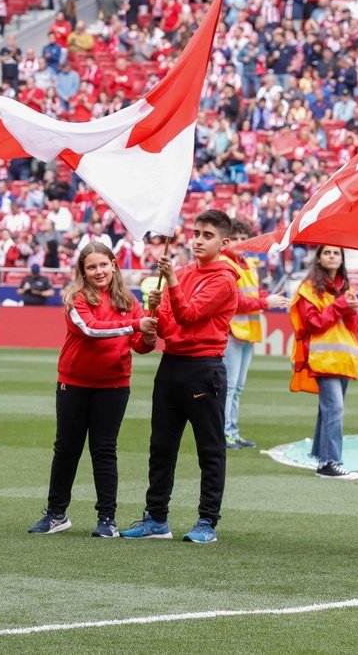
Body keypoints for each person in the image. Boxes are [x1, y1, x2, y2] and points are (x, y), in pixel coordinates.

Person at [121, 210, 238, 544]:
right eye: (197, 233)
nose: (198, 240)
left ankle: (207, 521)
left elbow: (188, 315)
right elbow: (170, 328)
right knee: (161, 446)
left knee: (210, 450)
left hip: (204, 369)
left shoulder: (224, 279)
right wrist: (156, 309)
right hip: (172, 365)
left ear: (224, 243)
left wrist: (171, 284)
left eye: (207, 235)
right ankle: (156, 518)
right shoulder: (185, 273)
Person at [27, 242, 156, 537]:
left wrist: (149, 334)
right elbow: (92, 329)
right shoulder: (77, 299)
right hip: (73, 383)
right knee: (66, 449)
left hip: (114, 385)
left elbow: (139, 346)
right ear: (83, 272)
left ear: (114, 264)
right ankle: (56, 513)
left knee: (104, 450)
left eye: (103, 265)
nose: (99, 271)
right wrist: (137, 324)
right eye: (91, 267)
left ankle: (107, 519)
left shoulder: (129, 301)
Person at [289, 245, 358, 480]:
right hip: (322, 358)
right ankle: (329, 462)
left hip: (343, 358)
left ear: (341, 260)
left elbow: (356, 327)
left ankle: (320, 455)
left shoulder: (345, 288)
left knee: (329, 409)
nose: (332, 256)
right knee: (335, 409)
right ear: (319, 259)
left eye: (336, 253)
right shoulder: (308, 289)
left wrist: (351, 311)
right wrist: (341, 306)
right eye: (327, 253)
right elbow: (314, 324)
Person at [220, 220, 291, 449]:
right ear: (226, 241)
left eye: (244, 237)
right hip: (232, 331)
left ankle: (232, 432)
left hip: (247, 330)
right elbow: (234, 301)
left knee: (237, 387)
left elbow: (253, 292)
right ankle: (224, 433)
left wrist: (269, 298)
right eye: (236, 238)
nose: (241, 242)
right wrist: (264, 301)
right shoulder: (224, 263)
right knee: (230, 387)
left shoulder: (246, 263)